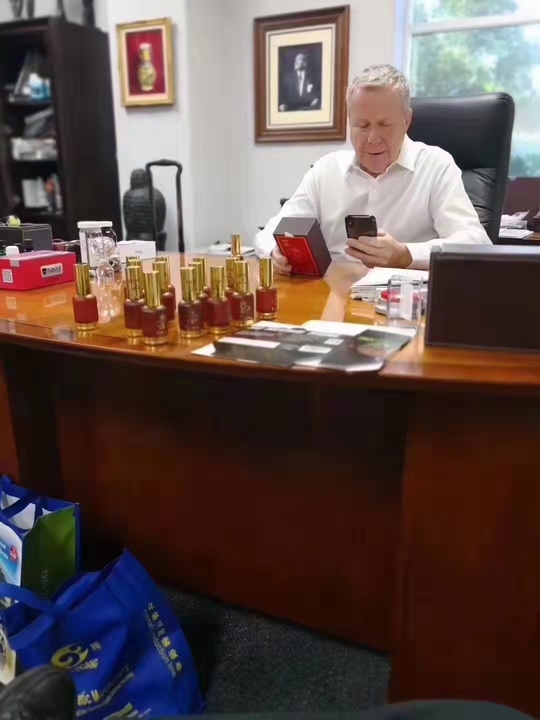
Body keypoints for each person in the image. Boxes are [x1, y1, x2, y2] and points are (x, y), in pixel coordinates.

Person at [257, 64, 491, 274]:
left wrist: (407, 255)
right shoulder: (326, 170)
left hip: (403, 300)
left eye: (385, 124)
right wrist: (274, 253)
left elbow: (476, 243)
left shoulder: (435, 166)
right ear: (349, 121)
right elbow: (270, 233)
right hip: (333, 299)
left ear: (407, 120)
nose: (372, 138)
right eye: (362, 125)